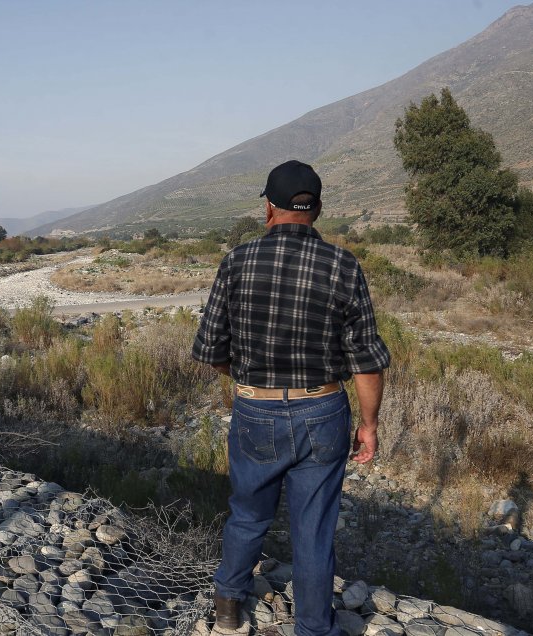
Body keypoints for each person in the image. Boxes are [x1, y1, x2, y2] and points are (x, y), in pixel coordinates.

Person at [192, 160, 390, 636]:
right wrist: (369, 425)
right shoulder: (344, 265)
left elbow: (212, 349)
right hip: (322, 409)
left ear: (268, 208)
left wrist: (246, 382)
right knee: (314, 531)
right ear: (317, 210)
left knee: (247, 514)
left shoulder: (236, 262)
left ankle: (228, 608)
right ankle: (313, 628)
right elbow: (366, 361)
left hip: (255, 408)